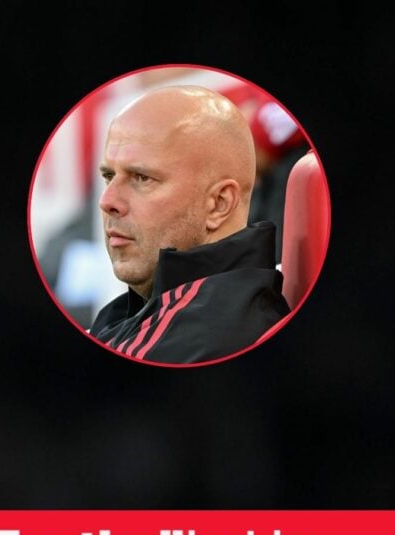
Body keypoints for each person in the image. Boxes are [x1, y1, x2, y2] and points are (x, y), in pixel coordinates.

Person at [89, 84, 291, 364]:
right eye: (109, 176)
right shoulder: (141, 310)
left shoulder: (199, 340)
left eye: (142, 178)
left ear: (219, 204)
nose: (107, 200)